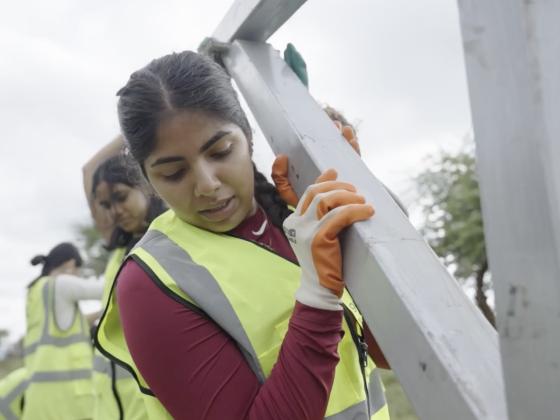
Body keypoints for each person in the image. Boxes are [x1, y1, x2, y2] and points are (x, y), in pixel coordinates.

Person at [97, 51, 390, 419]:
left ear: (248, 138)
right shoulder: (151, 282)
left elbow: (390, 354)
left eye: (220, 151)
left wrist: (360, 198)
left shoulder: (294, 220)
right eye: (173, 173)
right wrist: (317, 297)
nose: (207, 185)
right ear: (149, 182)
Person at [85, 153, 166, 420]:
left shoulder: (171, 239)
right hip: (109, 405)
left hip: (149, 405)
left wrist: (135, 129)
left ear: (145, 185)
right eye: (106, 204)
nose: (114, 211)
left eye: (121, 197)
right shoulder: (119, 248)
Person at [23, 242, 102, 420]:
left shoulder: (36, 292)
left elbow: (64, 328)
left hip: (39, 401)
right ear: (71, 264)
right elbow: (108, 288)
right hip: (68, 403)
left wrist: (101, 313)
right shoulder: (62, 284)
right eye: (78, 271)